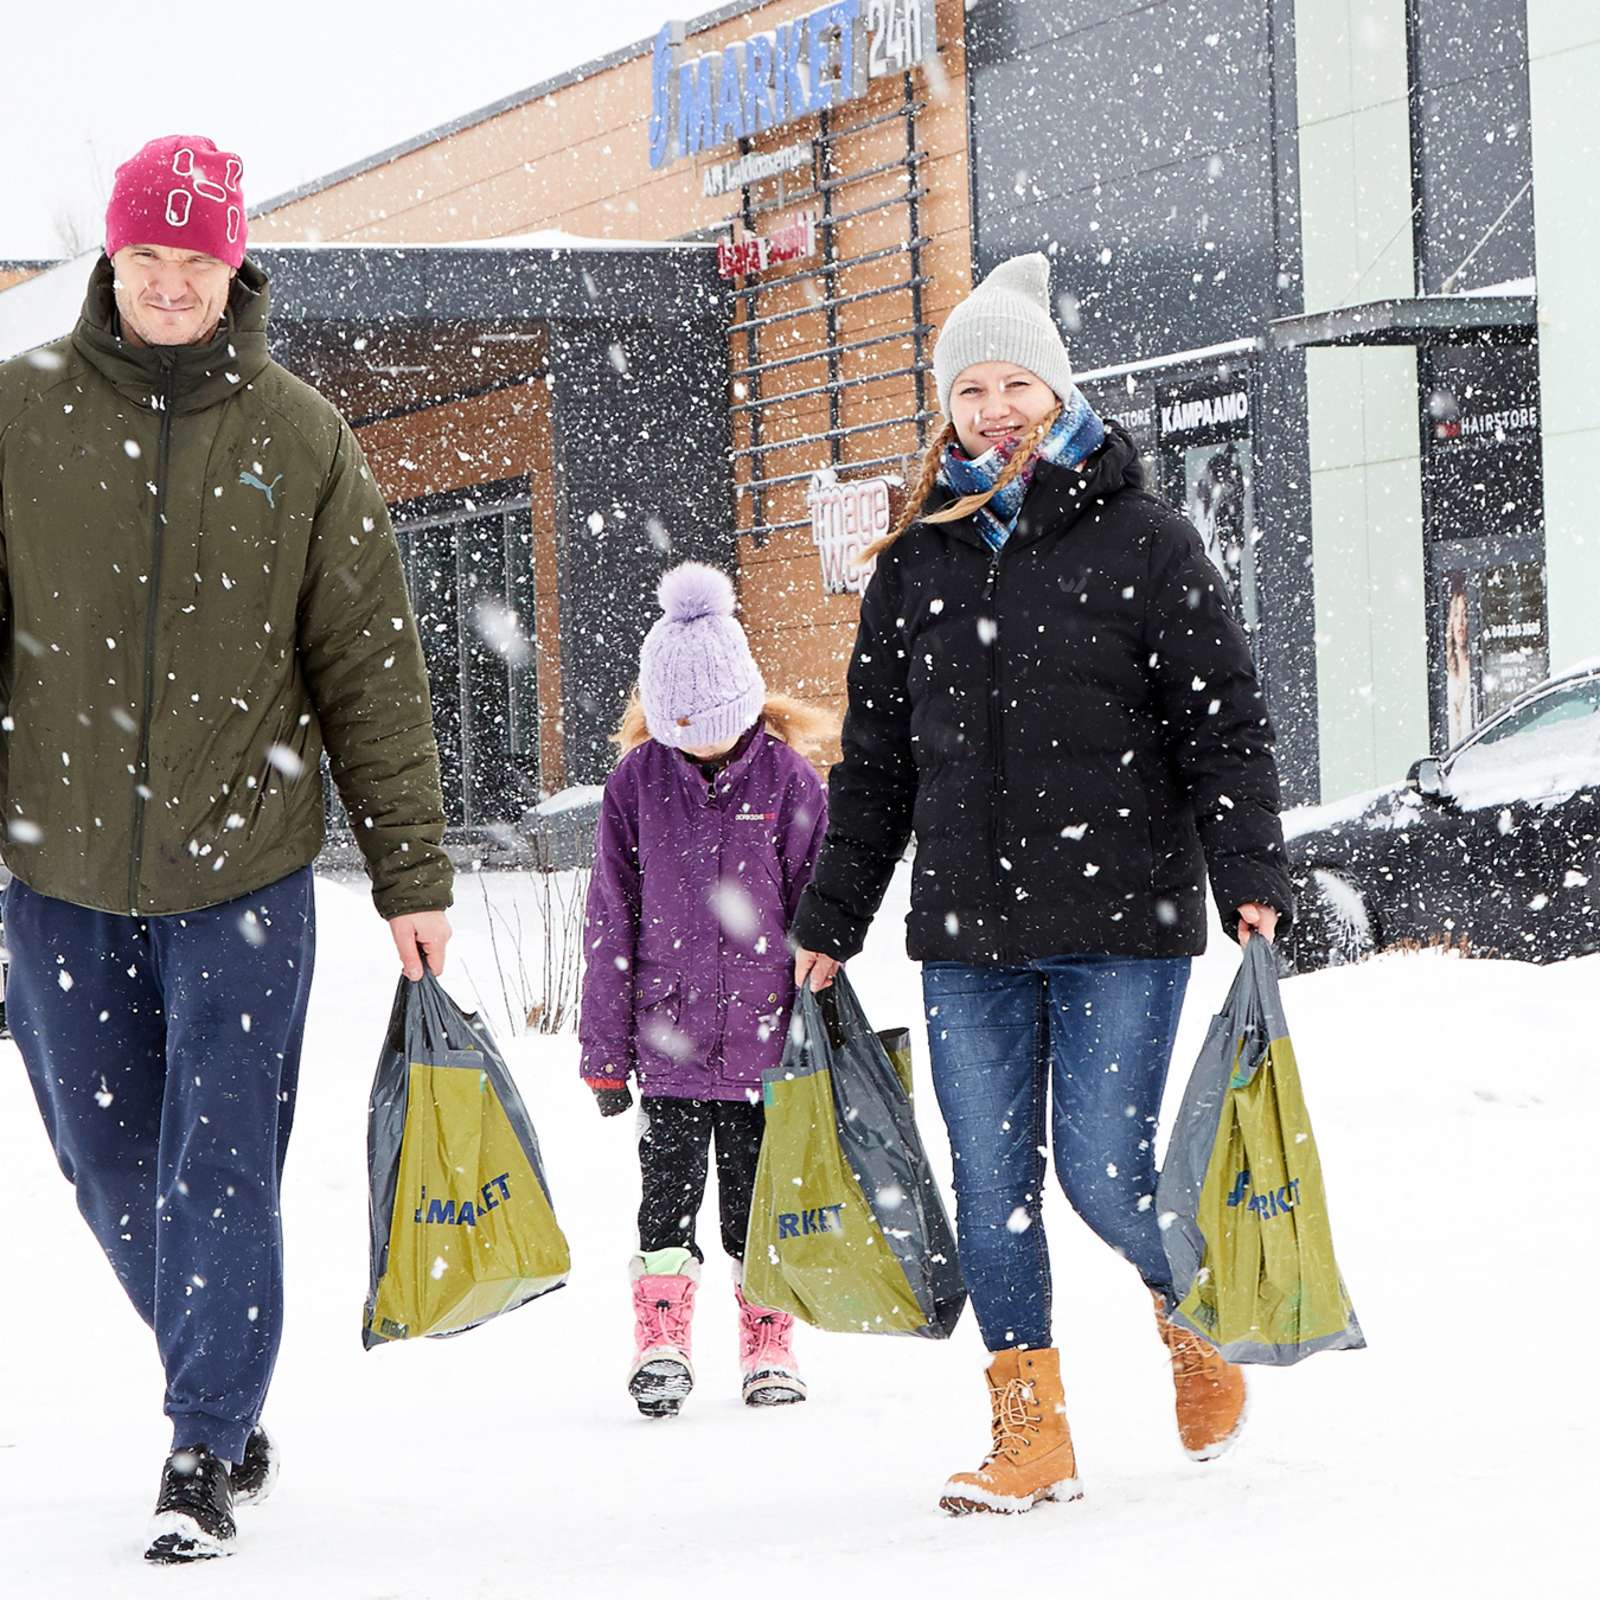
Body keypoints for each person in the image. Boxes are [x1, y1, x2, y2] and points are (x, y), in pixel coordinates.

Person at [0, 135, 453, 1562]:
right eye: (148, 258)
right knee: (101, 1159)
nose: (171, 284)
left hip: (243, 872)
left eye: (197, 261)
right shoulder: (19, 416)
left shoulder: (302, 436)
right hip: (56, 868)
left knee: (218, 1167)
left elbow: (370, 670)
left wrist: (413, 874)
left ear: (232, 264)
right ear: (113, 261)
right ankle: (225, 1368)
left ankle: (201, 1434)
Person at [790, 253, 1294, 1516]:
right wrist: (830, 919)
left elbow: (1222, 723)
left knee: (1103, 1175)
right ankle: (1031, 1430)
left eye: (1017, 381)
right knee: (988, 1184)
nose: (995, 408)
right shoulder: (915, 566)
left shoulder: (1146, 540)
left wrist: (1248, 871)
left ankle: (1195, 1315)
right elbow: (876, 767)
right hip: (968, 930)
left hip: (1123, 921)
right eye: (973, 389)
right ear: (948, 408)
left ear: (1058, 392)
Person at [579, 562, 833, 1418]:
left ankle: (769, 1342)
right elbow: (611, 923)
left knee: (758, 1204)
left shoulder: (792, 785)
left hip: (767, 1041)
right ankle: (661, 1342)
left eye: (712, 731)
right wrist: (605, 1054)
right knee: (666, 1197)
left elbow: (821, 921)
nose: (695, 746)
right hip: (671, 1045)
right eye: (677, 731)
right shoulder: (635, 786)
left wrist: (824, 1038)